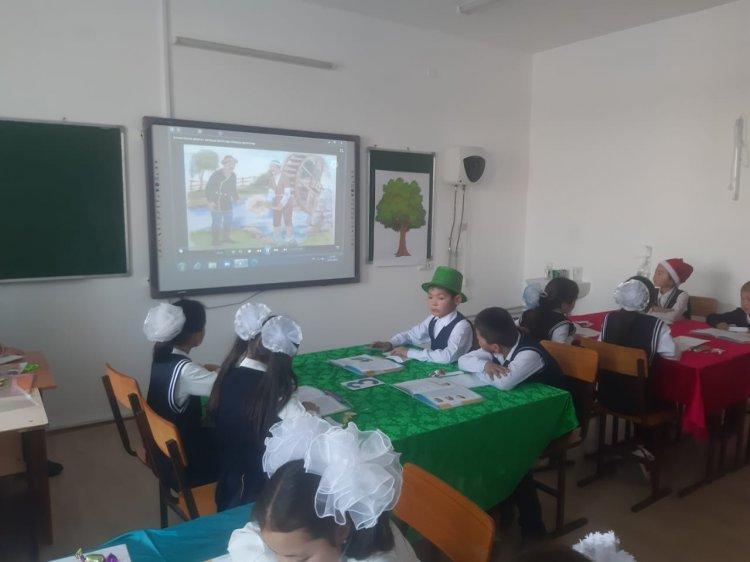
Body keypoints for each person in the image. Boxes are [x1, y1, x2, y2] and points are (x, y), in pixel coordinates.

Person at [227, 414, 419, 561]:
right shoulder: (307, 532)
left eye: (301, 559)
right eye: (275, 551)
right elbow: (243, 539)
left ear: (341, 531)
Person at [208, 302, 307, 511]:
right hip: (259, 499)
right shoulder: (278, 394)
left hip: (227, 488)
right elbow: (308, 433)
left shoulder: (226, 374)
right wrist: (311, 412)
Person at [144, 300, 218, 484]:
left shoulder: (162, 357)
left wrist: (202, 370)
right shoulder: (186, 371)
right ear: (196, 334)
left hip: (160, 453)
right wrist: (220, 370)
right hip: (184, 465)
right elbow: (229, 386)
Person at [598, 276, 679, 415]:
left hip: (606, 396)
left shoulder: (609, 319)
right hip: (640, 401)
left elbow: (601, 345)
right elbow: (673, 355)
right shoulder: (656, 325)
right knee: (668, 393)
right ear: (649, 300)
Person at [371, 266, 473, 363]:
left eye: (441, 298)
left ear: (457, 300)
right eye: (430, 297)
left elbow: (448, 356)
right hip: (437, 370)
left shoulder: (462, 326)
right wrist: (390, 343)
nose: (434, 303)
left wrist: (409, 352)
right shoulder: (433, 319)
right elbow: (412, 335)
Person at [458, 307, 566, 391]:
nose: (478, 341)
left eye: (478, 338)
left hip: (555, 401)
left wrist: (475, 371)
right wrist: (484, 365)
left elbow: (504, 383)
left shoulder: (530, 354)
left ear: (495, 347)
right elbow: (462, 360)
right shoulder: (500, 344)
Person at [519, 277, 579, 343]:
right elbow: (559, 347)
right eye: (575, 300)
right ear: (564, 305)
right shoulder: (561, 324)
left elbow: (516, 329)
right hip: (542, 350)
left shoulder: (529, 313)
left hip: (522, 348)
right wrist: (572, 338)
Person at [205, 155, 239, 245]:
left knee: (228, 221)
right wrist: (210, 201)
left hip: (227, 202)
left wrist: (236, 198)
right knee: (217, 222)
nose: (232, 166)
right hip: (216, 201)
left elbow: (233, 189)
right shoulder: (216, 174)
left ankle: (226, 238)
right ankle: (215, 241)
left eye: (233, 164)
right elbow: (209, 188)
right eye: (230, 164)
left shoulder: (233, 175)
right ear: (224, 164)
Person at [649, 258, 693, 323]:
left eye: (659, 273)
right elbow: (641, 311)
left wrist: (652, 309)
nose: (655, 276)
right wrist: (665, 310)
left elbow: (672, 317)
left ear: (672, 280)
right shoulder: (651, 291)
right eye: (655, 272)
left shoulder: (682, 295)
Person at [265, 159, 295, 243]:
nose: (271, 169)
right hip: (276, 201)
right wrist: (268, 201)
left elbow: (287, 193)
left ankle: (289, 237)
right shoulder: (271, 179)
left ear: (278, 168)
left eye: (273, 167)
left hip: (287, 201)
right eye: (271, 167)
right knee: (276, 220)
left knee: (287, 219)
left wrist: (281, 204)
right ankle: (276, 237)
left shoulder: (285, 177)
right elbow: (271, 192)